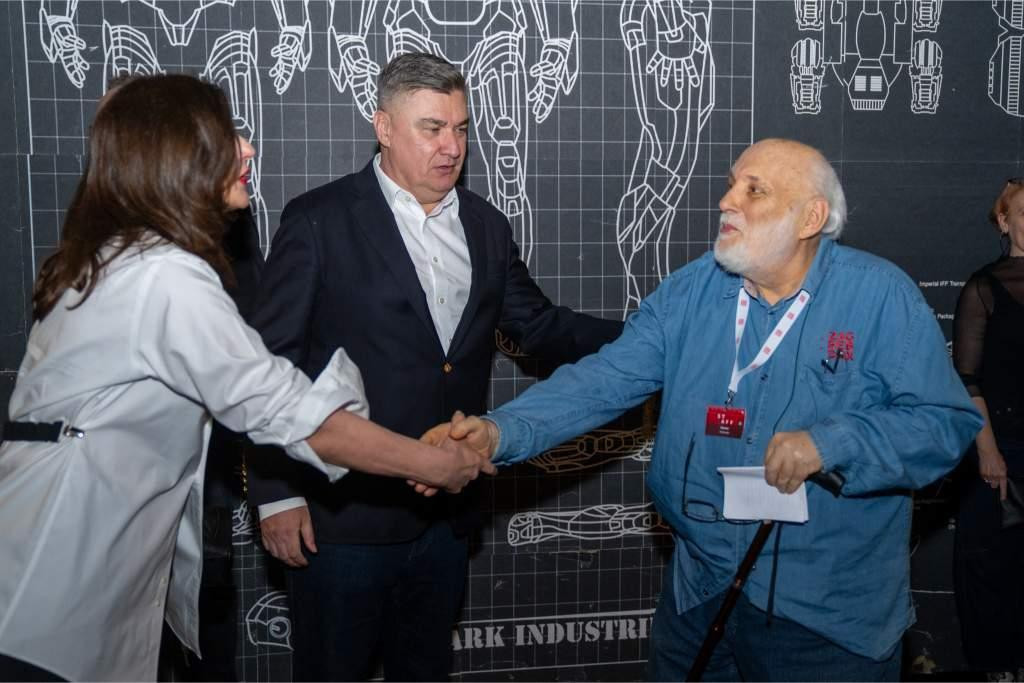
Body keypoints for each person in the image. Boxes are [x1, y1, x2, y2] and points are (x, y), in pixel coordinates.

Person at [0, 74, 493, 682]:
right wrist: (434, 465)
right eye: (226, 134)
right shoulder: (163, 276)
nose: (248, 147)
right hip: (56, 572)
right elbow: (291, 414)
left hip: (75, 564)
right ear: (178, 154)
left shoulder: (125, 256)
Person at [430, 138, 983, 681]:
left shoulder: (880, 298)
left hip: (823, 616)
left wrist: (832, 443)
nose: (726, 201)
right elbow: (605, 379)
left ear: (810, 218)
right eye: (731, 185)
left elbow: (944, 424)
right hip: (700, 591)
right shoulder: (694, 289)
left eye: (754, 190)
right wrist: (501, 432)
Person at [246, 52, 623, 681]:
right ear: (384, 127)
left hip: (446, 518)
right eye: (432, 128)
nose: (452, 146)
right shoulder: (319, 219)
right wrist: (275, 496)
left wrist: (651, 339)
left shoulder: (486, 226)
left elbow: (538, 326)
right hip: (341, 521)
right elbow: (267, 368)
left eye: (461, 128)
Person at [952, 179, 1024, 679]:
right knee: (993, 568)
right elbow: (967, 378)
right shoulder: (984, 287)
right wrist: (988, 453)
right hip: (1005, 449)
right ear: (1004, 221)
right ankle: (998, 669)